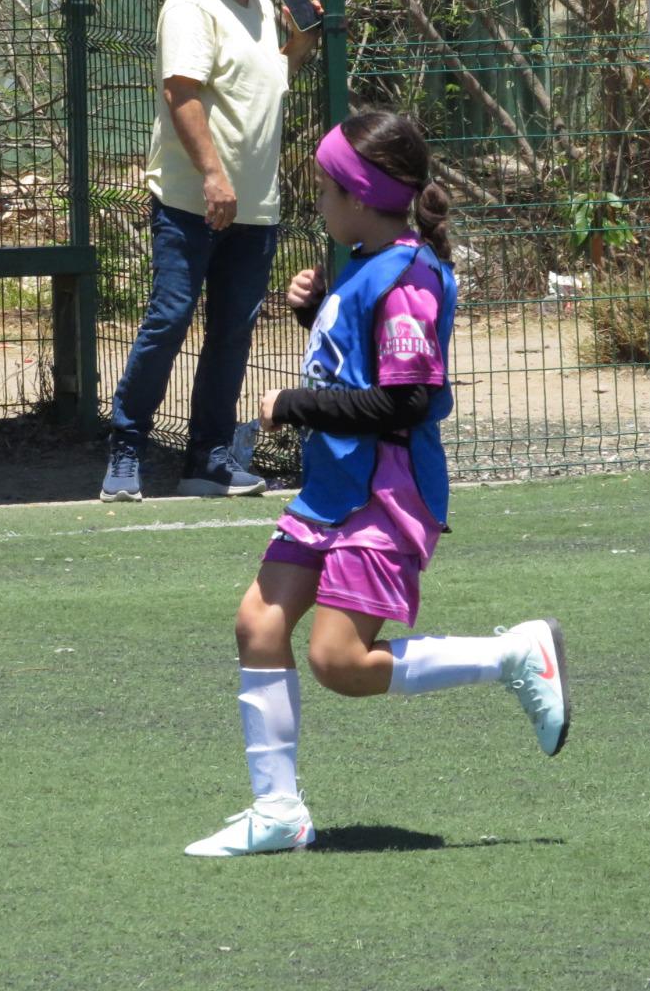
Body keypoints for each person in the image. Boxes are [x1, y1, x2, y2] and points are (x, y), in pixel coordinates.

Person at [183, 112, 569, 858]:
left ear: (359, 198)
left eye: (324, 191)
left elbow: (406, 402)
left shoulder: (410, 278)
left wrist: (294, 405)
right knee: (258, 624)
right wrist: (311, 315)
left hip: (383, 496)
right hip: (332, 488)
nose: (317, 205)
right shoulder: (363, 262)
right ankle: (277, 812)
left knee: (339, 663)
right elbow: (357, 370)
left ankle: (513, 655)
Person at [101, 0, 322, 502]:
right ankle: (126, 449)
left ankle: (208, 459)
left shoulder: (259, 8)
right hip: (193, 204)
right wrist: (212, 176)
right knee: (168, 322)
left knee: (232, 334)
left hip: (254, 208)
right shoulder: (190, 4)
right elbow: (181, 93)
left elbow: (262, 88)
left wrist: (298, 48)